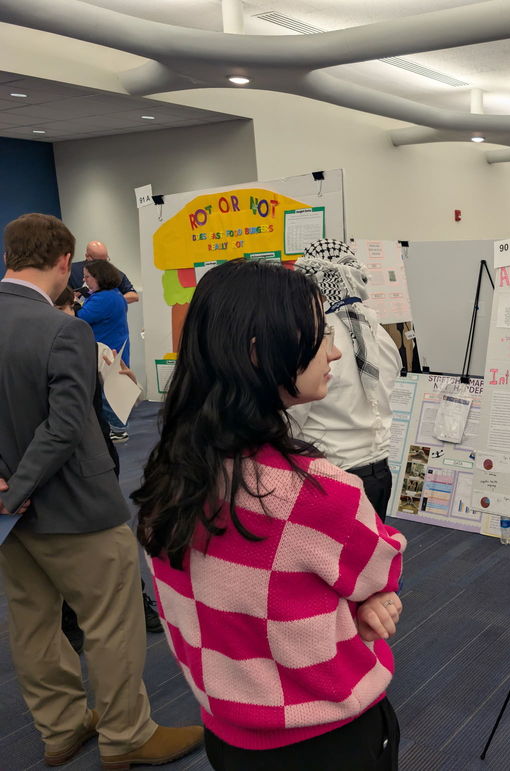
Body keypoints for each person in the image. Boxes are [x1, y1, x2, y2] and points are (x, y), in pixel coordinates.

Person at [132, 259, 406, 770]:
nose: (335, 351)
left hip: (228, 733)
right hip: (327, 739)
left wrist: (351, 603)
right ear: (260, 353)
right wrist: (361, 602)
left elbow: (243, 597)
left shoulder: (166, 475)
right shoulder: (317, 495)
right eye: (319, 335)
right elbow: (382, 565)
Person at [0, 213, 202, 769]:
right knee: (111, 622)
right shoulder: (65, 329)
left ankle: (60, 730)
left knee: (33, 623)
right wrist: (16, 488)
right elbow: (65, 426)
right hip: (76, 510)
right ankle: (126, 735)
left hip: (10, 520)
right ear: (66, 263)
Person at [52, 288, 162, 651]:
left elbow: (128, 391)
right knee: (61, 540)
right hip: (54, 459)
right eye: (60, 308)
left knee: (113, 536)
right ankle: (69, 614)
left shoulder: (94, 348)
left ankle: (136, 600)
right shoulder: (39, 348)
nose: (68, 316)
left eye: (68, 308)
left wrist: (122, 373)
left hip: (97, 456)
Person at [289, 239, 402, 520]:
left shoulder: (316, 339)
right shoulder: (378, 331)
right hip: (379, 471)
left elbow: (292, 415)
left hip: (331, 474)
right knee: (368, 555)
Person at [78, 258, 131, 442]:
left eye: (87, 277)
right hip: (116, 348)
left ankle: (117, 429)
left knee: (107, 392)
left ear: (98, 277)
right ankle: (118, 427)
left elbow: (80, 317)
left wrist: (74, 303)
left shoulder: (102, 298)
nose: (85, 282)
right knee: (113, 390)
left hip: (107, 352)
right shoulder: (115, 294)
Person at [68, 240, 139, 303]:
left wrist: (110, 301)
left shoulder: (114, 274)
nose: (103, 265)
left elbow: (134, 295)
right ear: (87, 256)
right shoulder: (71, 270)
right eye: (99, 261)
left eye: (105, 260)